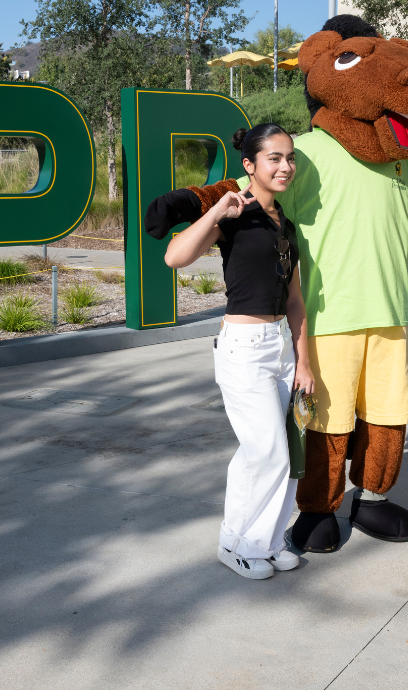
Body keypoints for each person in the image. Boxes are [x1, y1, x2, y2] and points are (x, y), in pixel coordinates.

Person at [162, 123, 314, 580]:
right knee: (264, 451)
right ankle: (238, 544)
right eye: (274, 158)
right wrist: (214, 213)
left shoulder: (282, 220)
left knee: (286, 449)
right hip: (244, 348)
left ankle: (264, 542)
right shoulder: (234, 213)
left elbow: (294, 299)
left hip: (281, 348)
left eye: (290, 158)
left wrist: (303, 362)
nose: (286, 166)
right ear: (249, 165)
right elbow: (175, 256)